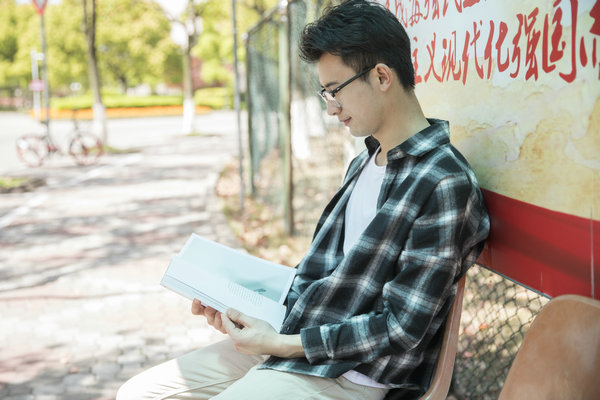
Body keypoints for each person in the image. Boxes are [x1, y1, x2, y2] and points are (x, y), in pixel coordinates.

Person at [117, 1, 489, 399]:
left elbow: (399, 327)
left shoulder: (443, 182)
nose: (331, 108)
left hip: (352, 377)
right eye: (324, 93)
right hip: (297, 344)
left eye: (335, 91)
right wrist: (238, 311)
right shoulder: (365, 162)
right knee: (141, 392)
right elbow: (326, 279)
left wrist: (280, 344)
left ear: (382, 76)